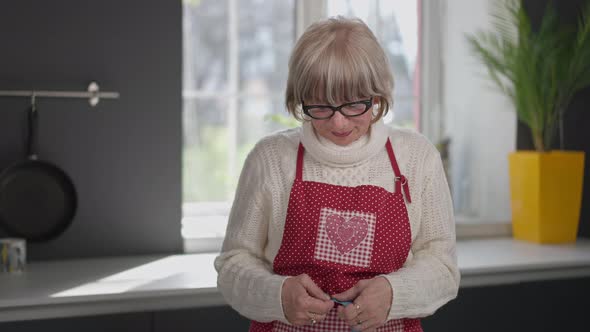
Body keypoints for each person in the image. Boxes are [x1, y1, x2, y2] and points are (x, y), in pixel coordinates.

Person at [214, 16, 459, 332]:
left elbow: (444, 268)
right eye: (321, 106)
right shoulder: (271, 160)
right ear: (301, 99)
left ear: (377, 96)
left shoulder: (416, 158)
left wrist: (394, 293)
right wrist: (277, 296)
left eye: (354, 105)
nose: (338, 123)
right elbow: (233, 264)